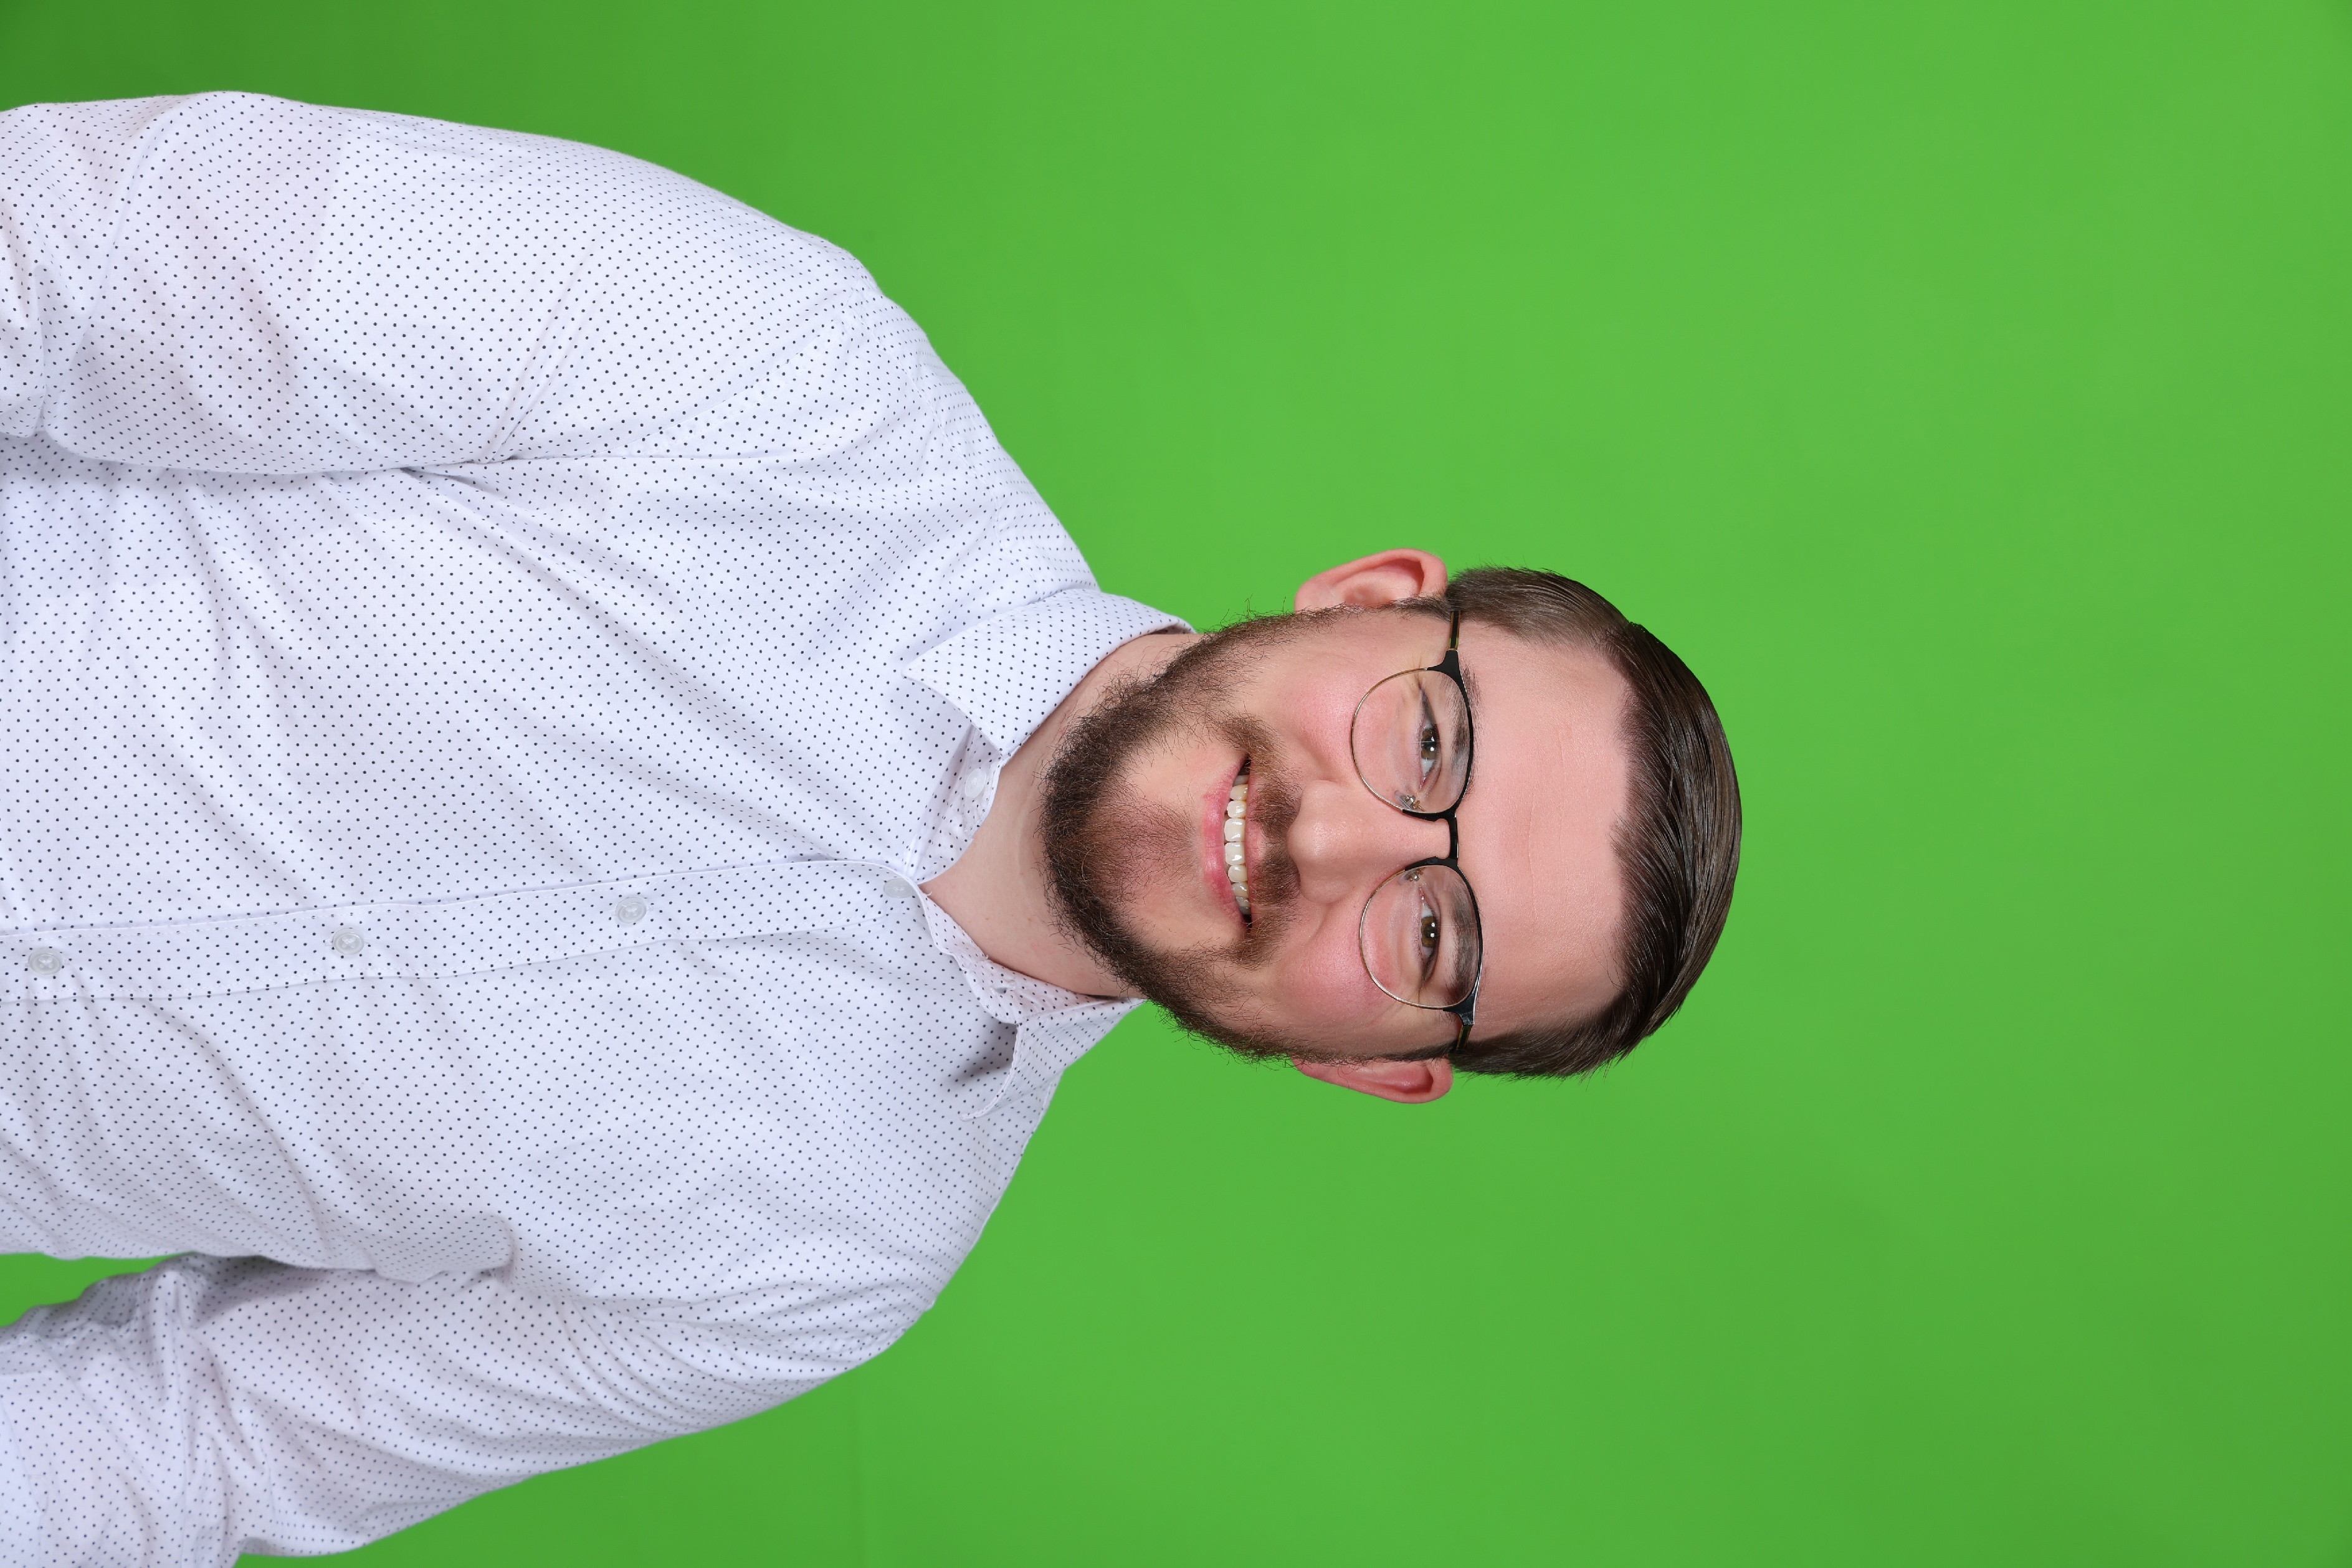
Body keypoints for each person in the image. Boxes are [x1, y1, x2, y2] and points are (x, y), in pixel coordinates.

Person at [0, 92, 1740, 1564]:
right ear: (1367, 595)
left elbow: (182, 1439)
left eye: (1434, 930)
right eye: (1427, 741)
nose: (1342, 841)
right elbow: (54, 259)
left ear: (1381, 1067)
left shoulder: (831, 1262)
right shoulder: (779, 377)